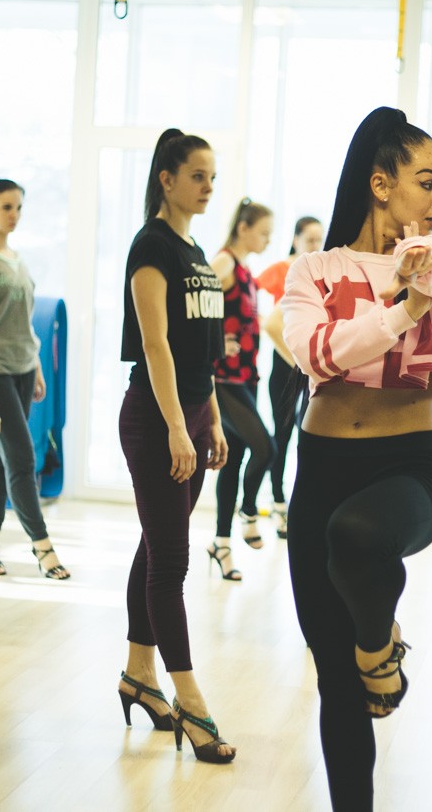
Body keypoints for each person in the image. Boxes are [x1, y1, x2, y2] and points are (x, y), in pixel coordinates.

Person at [279, 107, 432, 810]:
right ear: (380, 183)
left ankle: (379, 647)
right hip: (321, 471)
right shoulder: (313, 270)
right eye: (428, 181)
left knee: (359, 535)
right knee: (335, 683)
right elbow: (318, 355)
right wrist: (401, 308)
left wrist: (417, 276)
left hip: (408, 470)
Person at [116, 128, 235, 764]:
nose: (209, 186)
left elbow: (199, 355)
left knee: (156, 547)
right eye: (197, 175)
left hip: (188, 416)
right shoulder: (152, 247)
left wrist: (209, 419)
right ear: (167, 179)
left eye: (212, 176)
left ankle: (139, 674)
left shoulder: (196, 252)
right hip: (156, 418)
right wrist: (177, 427)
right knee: (172, 563)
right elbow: (156, 344)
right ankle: (191, 702)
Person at [0, 179, 68, 579]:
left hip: (24, 368)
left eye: (19, 208)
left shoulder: (18, 258)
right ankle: (42, 546)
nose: (14, 215)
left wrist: (38, 367)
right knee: (23, 458)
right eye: (6, 207)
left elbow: (24, 321)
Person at [208, 197, 275, 580]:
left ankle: (221, 544)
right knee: (266, 448)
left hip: (246, 377)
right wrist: (216, 339)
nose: (267, 240)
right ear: (243, 228)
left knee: (233, 462)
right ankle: (249, 512)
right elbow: (192, 304)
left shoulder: (245, 268)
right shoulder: (224, 263)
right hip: (224, 380)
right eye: (263, 232)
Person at [255, 216, 324, 538]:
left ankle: (298, 505)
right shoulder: (285, 270)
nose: (315, 246)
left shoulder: (318, 271)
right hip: (287, 362)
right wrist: (298, 361)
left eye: (319, 240)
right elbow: (265, 318)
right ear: (296, 239)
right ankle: (278, 503)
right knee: (281, 435)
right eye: (310, 240)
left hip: (307, 361)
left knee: (305, 433)